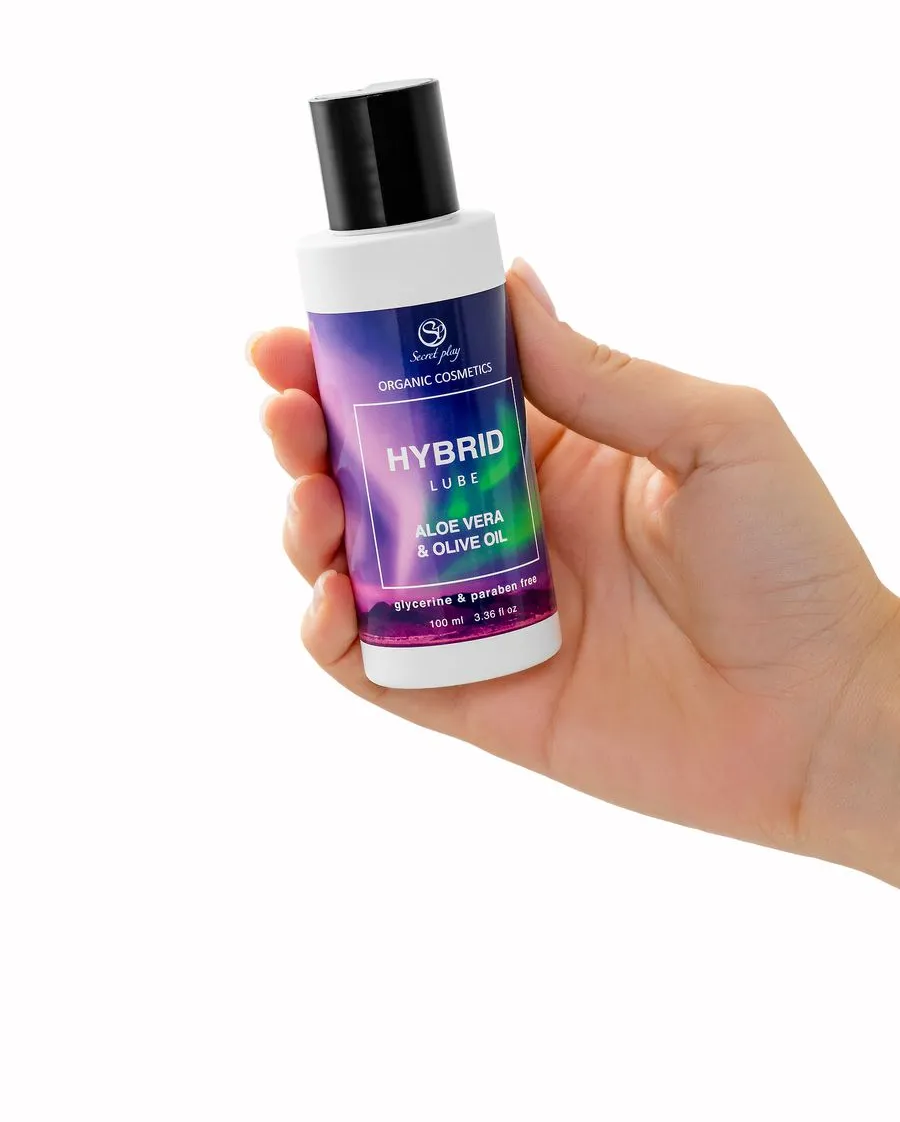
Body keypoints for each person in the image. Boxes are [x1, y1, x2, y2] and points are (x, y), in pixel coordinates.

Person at [248, 258, 900, 887]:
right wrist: (837, 721)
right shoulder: (343, 268)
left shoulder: (452, 245)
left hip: (527, 593)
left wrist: (841, 696)